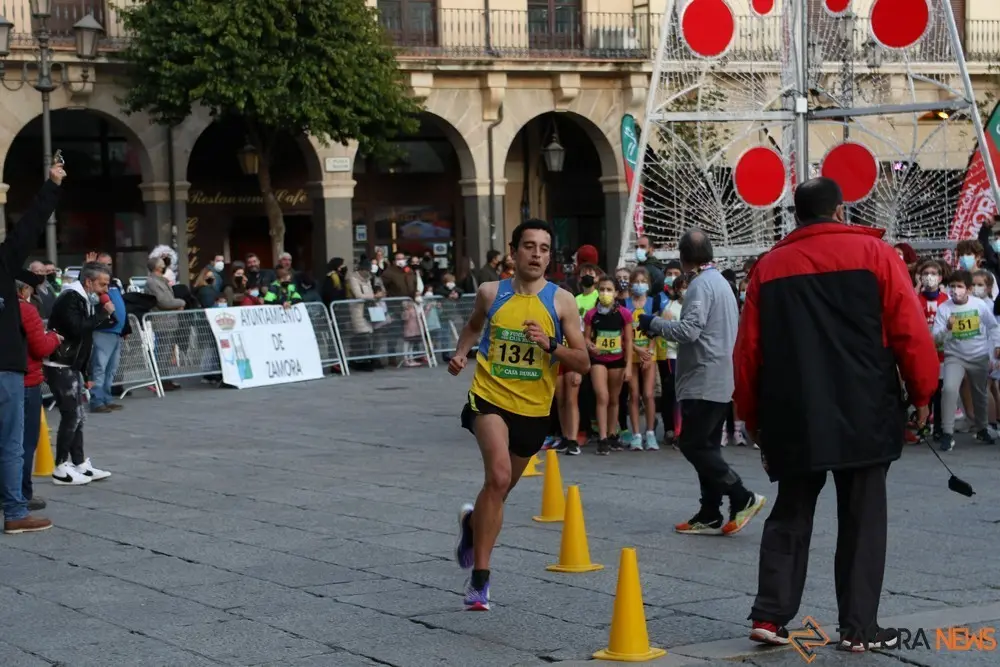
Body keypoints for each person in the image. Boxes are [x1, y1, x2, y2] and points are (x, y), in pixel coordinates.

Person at [733, 177, 939, 651]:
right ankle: (858, 629)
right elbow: (909, 329)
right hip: (865, 405)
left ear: (797, 216)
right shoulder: (877, 256)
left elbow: (748, 352)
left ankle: (769, 613)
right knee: (864, 515)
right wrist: (923, 391)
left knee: (791, 509)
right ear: (841, 210)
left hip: (794, 409)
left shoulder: (770, 267)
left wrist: (750, 413)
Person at [449, 219, 590, 611]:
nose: (537, 254)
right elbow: (472, 328)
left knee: (500, 491)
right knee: (498, 476)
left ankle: (472, 525)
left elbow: (582, 362)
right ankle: (480, 581)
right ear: (514, 252)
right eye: (529, 246)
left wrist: (550, 346)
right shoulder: (491, 293)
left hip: (533, 410)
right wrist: (462, 354)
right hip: (489, 398)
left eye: (544, 248)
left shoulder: (562, 301)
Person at [638, 228, 765, 536]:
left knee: (694, 444)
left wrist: (654, 324)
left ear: (683, 259)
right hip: (718, 374)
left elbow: (690, 330)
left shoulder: (700, 286)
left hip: (703, 377)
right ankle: (710, 511)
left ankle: (742, 495)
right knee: (707, 446)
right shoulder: (721, 282)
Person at [0, 165, 64, 534]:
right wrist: (52, 185)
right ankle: (14, 512)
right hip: (5, 368)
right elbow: (30, 225)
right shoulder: (4, 260)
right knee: (10, 443)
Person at [45, 262, 116, 486]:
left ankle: (78, 463)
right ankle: (60, 466)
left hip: (71, 364)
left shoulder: (82, 297)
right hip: (60, 363)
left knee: (78, 416)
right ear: (88, 281)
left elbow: (84, 334)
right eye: (102, 284)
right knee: (71, 414)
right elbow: (77, 328)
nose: (105, 290)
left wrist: (85, 373)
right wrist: (101, 313)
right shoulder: (70, 297)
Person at [932, 269, 998, 452]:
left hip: (978, 356)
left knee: (980, 393)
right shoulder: (944, 308)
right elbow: (936, 338)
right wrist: (947, 328)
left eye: (959, 287)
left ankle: (982, 428)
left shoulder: (979, 305)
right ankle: (947, 432)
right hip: (955, 356)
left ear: (968, 289)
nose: (955, 290)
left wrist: (997, 347)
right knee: (949, 389)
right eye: (952, 286)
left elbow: (993, 326)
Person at [17, 273, 62, 511]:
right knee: (24, 442)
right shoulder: (25, 310)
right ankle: (21, 493)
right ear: (25, 289)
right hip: (25, 380)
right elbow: (40, 346)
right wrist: (54, 337)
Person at [584, 276, 633, 455]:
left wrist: (628, 366)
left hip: (617, 360)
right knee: (602, 396)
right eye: (602, 289)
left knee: (614, 399)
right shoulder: (591, 314)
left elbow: (628, 340)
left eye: (609, 290)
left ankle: (612, 434)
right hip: (598, 360)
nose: (605, 293)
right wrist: (589, 345)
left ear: (616, 293)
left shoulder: (624, 314)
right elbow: (586, 337)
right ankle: (602, 437)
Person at [90, 252, 130, 413]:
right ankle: (97, 400)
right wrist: (89, 267)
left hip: (116, 331)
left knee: (111, 369)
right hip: (103, 330)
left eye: (109, 264)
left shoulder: (114, 283)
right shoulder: (94, 283)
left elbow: (122, 306)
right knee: (100, 367)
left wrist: (126, 327)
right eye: (102, 264)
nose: (106, 267)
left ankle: (106, 398)